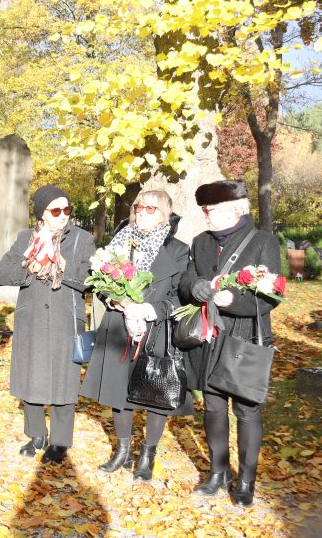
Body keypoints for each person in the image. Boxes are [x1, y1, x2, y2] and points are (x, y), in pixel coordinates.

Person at [180, 180, 281, 507]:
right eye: (204, 210)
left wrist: (232, 298)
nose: (206, 216)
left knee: (246, 409)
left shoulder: (264, 242)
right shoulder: (201, 241)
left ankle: (246, 481)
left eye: (211, 210)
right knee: (212, 406)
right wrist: (196, 288)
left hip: (244, 337)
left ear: (236, 209)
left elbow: (271, 295)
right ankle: (218, 473)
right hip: (208, 337)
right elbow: (187, 278)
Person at [80, 190, 192, 479]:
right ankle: (123, 450)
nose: (142, 212)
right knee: (119, 391)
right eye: (138, 206)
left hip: (155, 327)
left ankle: (148, 454)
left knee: (155, 390)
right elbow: (101, 282)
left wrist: (148, 310)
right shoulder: (120, 242)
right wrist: (114, 300)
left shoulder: (178, 250)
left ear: (165, 213)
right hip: (118, 323)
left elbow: (181, 296)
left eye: (151, 208)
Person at [0, 185, 96, 464]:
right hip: (33, 316)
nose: (63, 215)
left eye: (67, 209)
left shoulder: (82, 239)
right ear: (42, 213)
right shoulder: (27, 238)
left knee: (65, 379)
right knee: (32, 374)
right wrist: (28, 267)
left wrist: (63, 265)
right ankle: (36, 434)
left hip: (67, 317)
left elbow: (91, 279)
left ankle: (60, 441)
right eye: (56, 210)